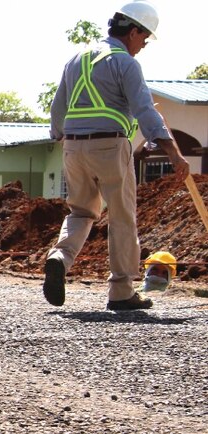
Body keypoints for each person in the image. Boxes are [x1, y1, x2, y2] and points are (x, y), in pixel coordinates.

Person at [44, 0, 189, 311]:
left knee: (81, 212)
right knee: (122, 217)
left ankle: (60, 257)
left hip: (73, 147)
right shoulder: (125, 63)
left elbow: (57, 108)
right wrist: (173, 153)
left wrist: (60, 136)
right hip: (110, 146)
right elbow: (145, 111)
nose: (144, 45)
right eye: (144, 38)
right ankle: (122, 291)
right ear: (133, 31)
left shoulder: (76, 60)